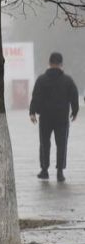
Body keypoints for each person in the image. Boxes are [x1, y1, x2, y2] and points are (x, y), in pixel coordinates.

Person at [29, 51, 78, 182]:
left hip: (45, 117)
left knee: (44, 143)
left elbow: (36, 96)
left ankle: (44, 170)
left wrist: (32, 112)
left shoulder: (41, 79)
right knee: (61, 144)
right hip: (62, 118)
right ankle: (60, 172)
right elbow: (74, 96)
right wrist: (75, 111)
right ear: (61, 64)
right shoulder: (67, 80)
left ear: (49, 63)